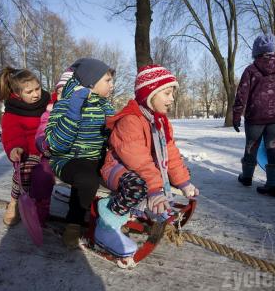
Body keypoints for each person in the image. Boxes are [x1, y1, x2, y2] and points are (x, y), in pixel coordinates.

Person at [97, 64, 199, 258]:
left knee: (170, 174)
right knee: (138, 186)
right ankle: (107, 221)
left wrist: (183, 181)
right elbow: (139, 160)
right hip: (117, 168)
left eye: (172, 94)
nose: (172, 99)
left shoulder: (159, 121)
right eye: (167, 93)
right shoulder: (131, 120)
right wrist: (154, 189)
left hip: (139, 169)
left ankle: (142, 204)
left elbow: (170, 153)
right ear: (150, 94)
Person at [45, 58, 115, 249]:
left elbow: (115, 136)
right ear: (91, 82)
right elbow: (56, 146)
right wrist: (73, 113)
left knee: (123, 171)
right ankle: (74, 223)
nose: (112, 85)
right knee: (87, 178)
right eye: (107, 80)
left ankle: (117, 214)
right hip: (69, 159)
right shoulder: (65, 105)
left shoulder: (106, 107)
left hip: (96, 157)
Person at [232, 33, 275, 198]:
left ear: (256, 50)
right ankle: (273, 186)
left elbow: (242, 94)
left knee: (251, 146)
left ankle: (247, 178)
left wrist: (236, 115)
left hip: (256, 116)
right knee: (273, 147)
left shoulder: (251, 69)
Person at [0, 66, 50, 226]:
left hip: (47, 150)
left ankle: (41, 207)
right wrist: (16, 147)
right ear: (19, 94)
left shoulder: (48, 101)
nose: (36, 94)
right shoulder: (13, 112)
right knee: (25, 172)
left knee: (45, 177)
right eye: (29, 92)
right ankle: (14, 202)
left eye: (37, 88)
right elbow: (12, 133)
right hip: (28, 151)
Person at [31, 67, 74, 226]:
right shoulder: (50, 113)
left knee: (85, 175)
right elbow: (42, 131)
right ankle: (40, 209)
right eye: (61, 92)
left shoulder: (88, 113)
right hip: (52, 156)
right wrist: (45, 143)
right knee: (41, 174)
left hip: (76, 157)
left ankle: (78, 212)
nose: (64, 96)